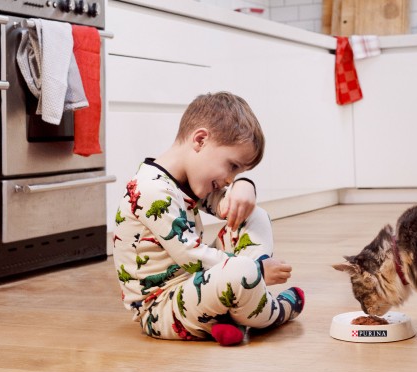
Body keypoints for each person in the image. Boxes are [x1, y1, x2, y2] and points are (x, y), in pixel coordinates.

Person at [112, 92, 304, 346]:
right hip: (161, 309)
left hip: (197, 285)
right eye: (233, 166)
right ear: (200, 140)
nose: (229, 180)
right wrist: (257, 270)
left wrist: (246, 185)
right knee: (243, 270)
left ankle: (234, 308)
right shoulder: (151, 189)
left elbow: (230, 206)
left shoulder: (186, 179)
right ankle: (274, 310)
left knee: (254, 216)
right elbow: (191, 257)